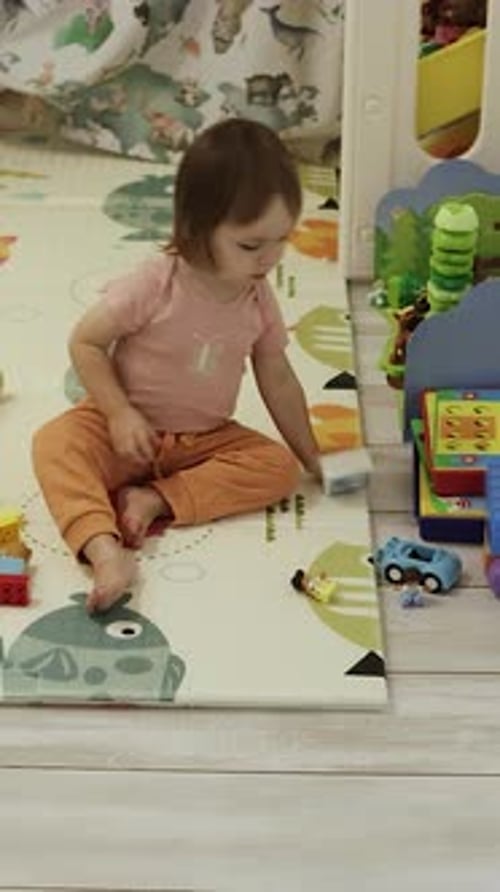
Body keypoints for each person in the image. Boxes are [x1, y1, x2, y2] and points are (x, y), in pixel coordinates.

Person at [32, 118, 323, 614]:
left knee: (278, 470)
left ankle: (154, 500)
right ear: (196, 230)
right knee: (54, 444)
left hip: (204, 441)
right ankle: (105, 550)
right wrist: (120, 413)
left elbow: (277, 376)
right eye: (251, 245)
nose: (269, 258)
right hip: (124, 431)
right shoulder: (156, 283)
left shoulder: (258, 298)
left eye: (282, 240)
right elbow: (86, 343)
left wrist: (314, 458)